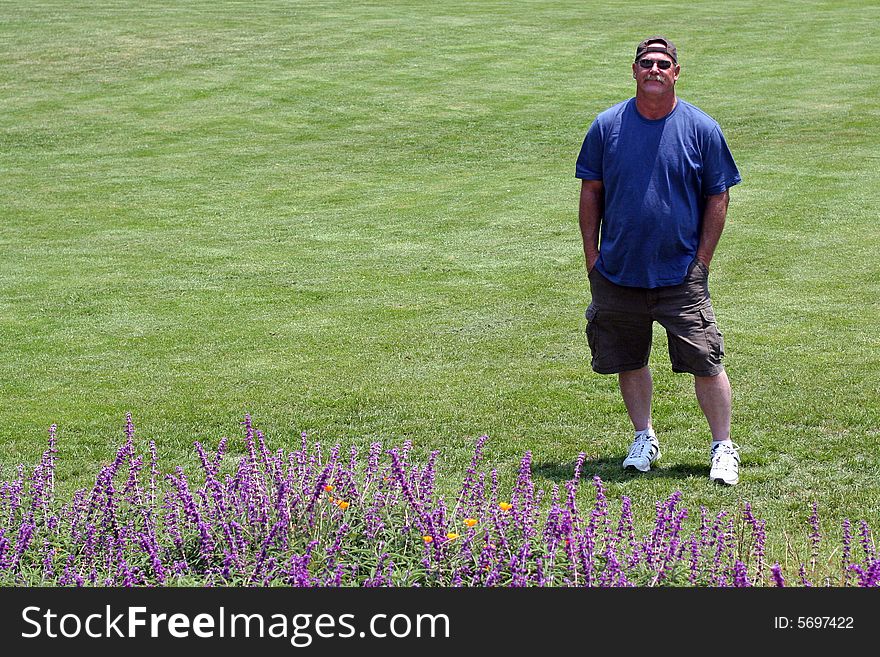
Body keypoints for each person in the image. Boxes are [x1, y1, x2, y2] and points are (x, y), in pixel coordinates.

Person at [575, 36, 743, 484]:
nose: (654, 69)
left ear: (676, 72)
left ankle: (723, 447)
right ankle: (643, 437)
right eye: (645, 62)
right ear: (634, 71)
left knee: (706, 360)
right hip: (617, 271)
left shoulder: (701, 128)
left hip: (680, 273)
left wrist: (702, 261)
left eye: (663, 63)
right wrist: (592, 257)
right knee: (629, 359)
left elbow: (718, 195)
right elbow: (591, 192)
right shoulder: (606, 126)